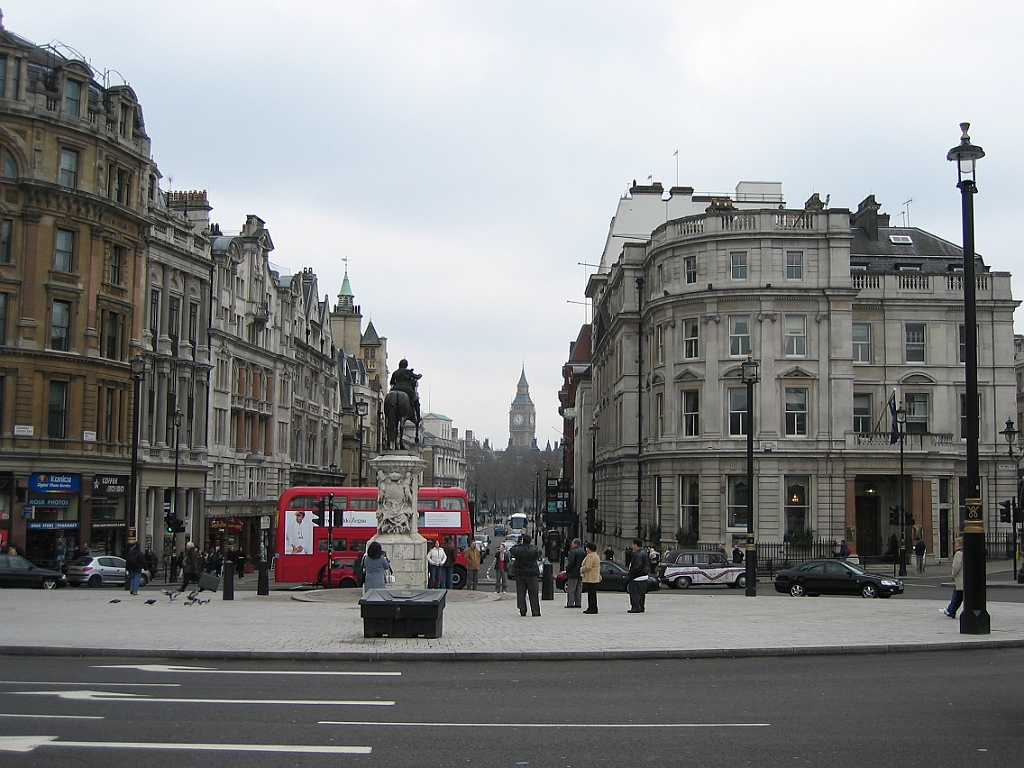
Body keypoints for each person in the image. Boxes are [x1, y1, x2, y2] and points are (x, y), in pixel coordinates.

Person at [510, 534, 542, 617]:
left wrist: (520, 544)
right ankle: (535, 611)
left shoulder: (518, 550)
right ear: (530, 541)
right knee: (534, 593)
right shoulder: (533, 550)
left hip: (520, 573)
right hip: (532, 574)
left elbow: (511, 549)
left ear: (522, 541)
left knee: (521, 593)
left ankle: (522, 610)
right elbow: (539, 552)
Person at [389, 358, 422, 423]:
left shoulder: (395, 372)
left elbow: (391, 382)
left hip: (395, 388)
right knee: (416, 401)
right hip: (406, 389)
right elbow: (416, 377)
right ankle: (418, 417)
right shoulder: (408, 372)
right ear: (406, 365)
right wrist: (420, 375)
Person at [941, 537, 964, 618]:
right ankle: (950, 610)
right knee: (957, 596)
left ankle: (951, 611)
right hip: (965, 579)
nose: (955, 544)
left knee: (957, 596)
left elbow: (956, 566)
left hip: (960, 578)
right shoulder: (966, 552)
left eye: (956, 543)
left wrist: (953, 574)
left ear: (960, 544)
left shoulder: (958, 553)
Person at [626, 538, 650, 613]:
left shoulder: (638, 553)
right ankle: (641, 606)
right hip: (644, 576)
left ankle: (636, 607)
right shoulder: (644, 552)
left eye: (633, 544)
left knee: (635, 593)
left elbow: (637, 566)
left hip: (637, 577)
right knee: (641, 594)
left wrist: (631, 573)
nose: (632, 546)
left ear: (635, 544)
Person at [581, 541, 602, 614]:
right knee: (593, 593)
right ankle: (593, 607)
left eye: (587, 548)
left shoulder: (590, 556)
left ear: (590, 548)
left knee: (591, 594)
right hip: (594, 577)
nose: (586, 549)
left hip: (590, 577)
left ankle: (592, 608)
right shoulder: (596, 555)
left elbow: (588, 566)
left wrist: (581, 569)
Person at [564, 538, 585, 608]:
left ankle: (570, 603)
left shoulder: (573, 552)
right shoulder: (583, 551)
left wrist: (567, 568)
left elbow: (571, 562)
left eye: (572, 543)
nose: (571, 544)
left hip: (573, 572)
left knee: (571, 589)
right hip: (580, 572)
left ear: (575, 543)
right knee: (578, 588)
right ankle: (578, 603)